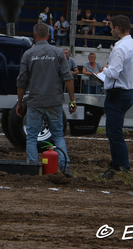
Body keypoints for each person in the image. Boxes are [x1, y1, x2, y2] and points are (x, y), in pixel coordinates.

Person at [16, 23, 76, 178]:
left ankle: (31, 167)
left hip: (35, 102)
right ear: (49, 35)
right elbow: (67, 78)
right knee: (58, 136)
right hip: (54, 101)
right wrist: (72, 100)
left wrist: (20, 102)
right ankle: (64, 167)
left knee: (31, 136)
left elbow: (22, 81)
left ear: (34, 35)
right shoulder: (58, 53)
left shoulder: (28, 54)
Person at [96, 15, 133, 179]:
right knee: (114, 131)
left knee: (114, 133)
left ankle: (121, 166)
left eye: (111, 28)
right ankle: (118, 165)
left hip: (117, 94)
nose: (110, 31)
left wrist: (104, 70)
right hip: (128, 91)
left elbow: (114, 73)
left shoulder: (119, 48)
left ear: (117, 28)